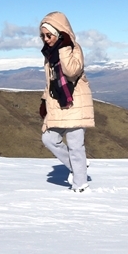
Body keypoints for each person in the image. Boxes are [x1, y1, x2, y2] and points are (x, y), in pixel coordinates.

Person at [39, 12, 95, 192]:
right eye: (43, 36)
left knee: (75, 145)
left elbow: (71, 71)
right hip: (59, 104)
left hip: (76, 103)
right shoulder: (49, 54)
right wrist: (43, 100)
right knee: (49, 138)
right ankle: (78, 167)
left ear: (60, 32)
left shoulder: (73, 48)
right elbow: (51, 80)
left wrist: (64, 46)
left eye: (49, 35)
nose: (46, 39)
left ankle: (80, 186)